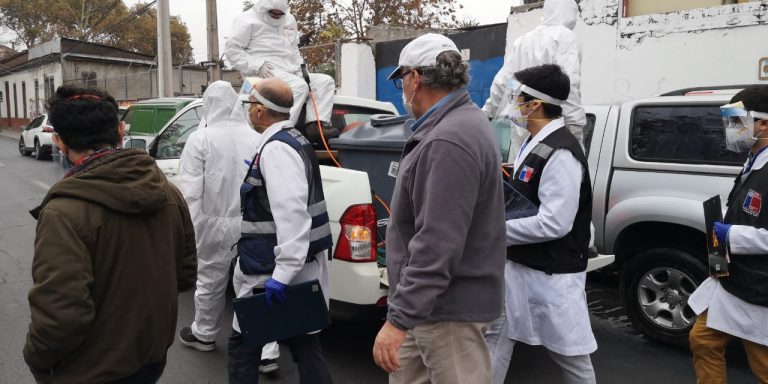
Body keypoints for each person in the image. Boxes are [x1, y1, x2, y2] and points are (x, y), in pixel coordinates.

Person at [23, 86, 197, 383]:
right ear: (120, 131)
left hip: (92, 370)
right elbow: (184, 275)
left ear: (59, 140)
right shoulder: (168, 192)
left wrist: (37, 361)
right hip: (151, 356)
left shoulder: (64, 212)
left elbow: (60, 317)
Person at [372, 33, 506, 383]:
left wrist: (398, 319)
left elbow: (437, 244)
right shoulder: (457, 124)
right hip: (430, 305)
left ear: (415, 78)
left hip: (447, 311)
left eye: (401, 79)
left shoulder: (449, 138)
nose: (401, 89)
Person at [485, 64, 596, 384]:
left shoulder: (562, 151)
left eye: (518, 98)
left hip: (551, 276)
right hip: (520, 268)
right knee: (496, 338)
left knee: (571, 356)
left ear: (534, 104)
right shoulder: (535, 143)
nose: (514, 104)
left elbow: (555, 224)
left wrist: (494, 231)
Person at [228, 77, 334, 384]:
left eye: (250, 106)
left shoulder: (277, 150)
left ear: (260, 111)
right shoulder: (294, 140)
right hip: (291, 266)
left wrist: (281, 275)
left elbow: (292, 215)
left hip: (270, 269)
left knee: (243, 345)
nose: (248, 112)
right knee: (305, 342)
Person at [175, 81, 281, 373]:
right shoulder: (256, 137)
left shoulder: (201, 139)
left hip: (212, 221)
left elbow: (192, 193)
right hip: (253, 221)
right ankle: (266, 352)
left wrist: (190, 233)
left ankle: (205, 334)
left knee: (210, 279)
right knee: (258, 282)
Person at [688, 85, 768, 383]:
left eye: (736, 122)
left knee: (763, 365)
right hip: (734, 279)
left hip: (759, 289)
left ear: (763, 123)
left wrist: (730, 234)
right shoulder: (754, 160)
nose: (730, 130)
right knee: (704, 340)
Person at [224, 0, 338, 143]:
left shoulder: (289, 19)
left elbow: (293, 48)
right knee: (298, 87)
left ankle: (315, 126)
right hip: (265, 72)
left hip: (291, 70)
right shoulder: (245, 20)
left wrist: (302, 68)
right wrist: (256, 65)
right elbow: (232, 50)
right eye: (273, 14)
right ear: (264, 8)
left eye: (280, 14)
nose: (277, 17)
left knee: (325, 82)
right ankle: (278, 131)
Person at [483, 0, 585, 159]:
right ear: (570, 12)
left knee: (525, 174)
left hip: (522, 122)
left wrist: (488, 112)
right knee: (552, 173)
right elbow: (569, 83)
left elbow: (505, 80)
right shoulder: (564, 36)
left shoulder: (524, 40)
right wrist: (575, 126)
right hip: (548, 123)